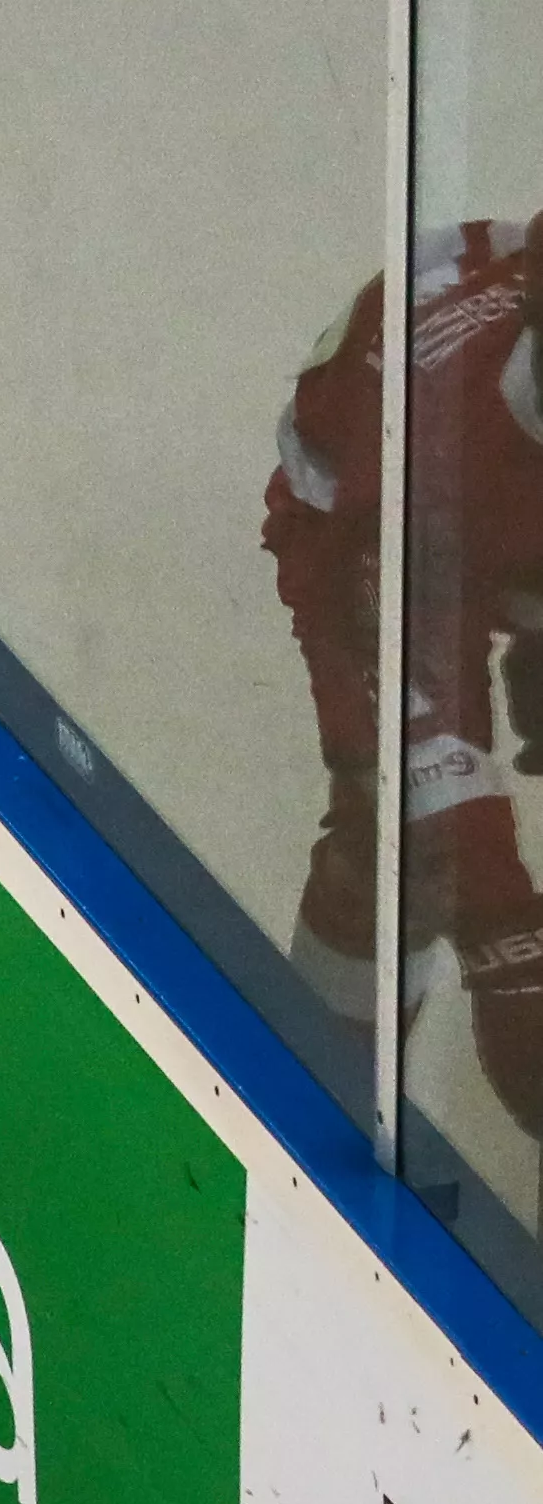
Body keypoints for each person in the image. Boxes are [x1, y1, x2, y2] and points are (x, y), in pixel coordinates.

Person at [267, 213, 543, 1127]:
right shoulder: (435, 446)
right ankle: (314, 1115)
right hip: (368, 544)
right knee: (422, 855)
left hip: (493, 526)